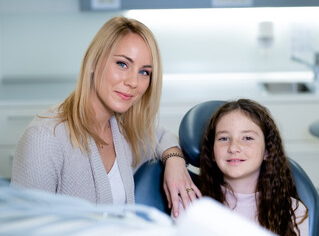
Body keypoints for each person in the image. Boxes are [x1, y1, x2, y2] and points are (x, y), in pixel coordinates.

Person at [11, 16, 200, 216]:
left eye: (144, 72)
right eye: (122, 64)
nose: (133, 82)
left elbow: (162, 136)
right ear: (94, 61)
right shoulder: (44, 138)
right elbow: (25, 226)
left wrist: (175, 161)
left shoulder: (123, 128)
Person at [175, 99, 309, 235]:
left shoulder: (293, 211)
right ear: (212, 152)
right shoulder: (189, 205)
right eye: (224, 138)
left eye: (247, 138)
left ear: (268, 151)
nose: (233, 148)